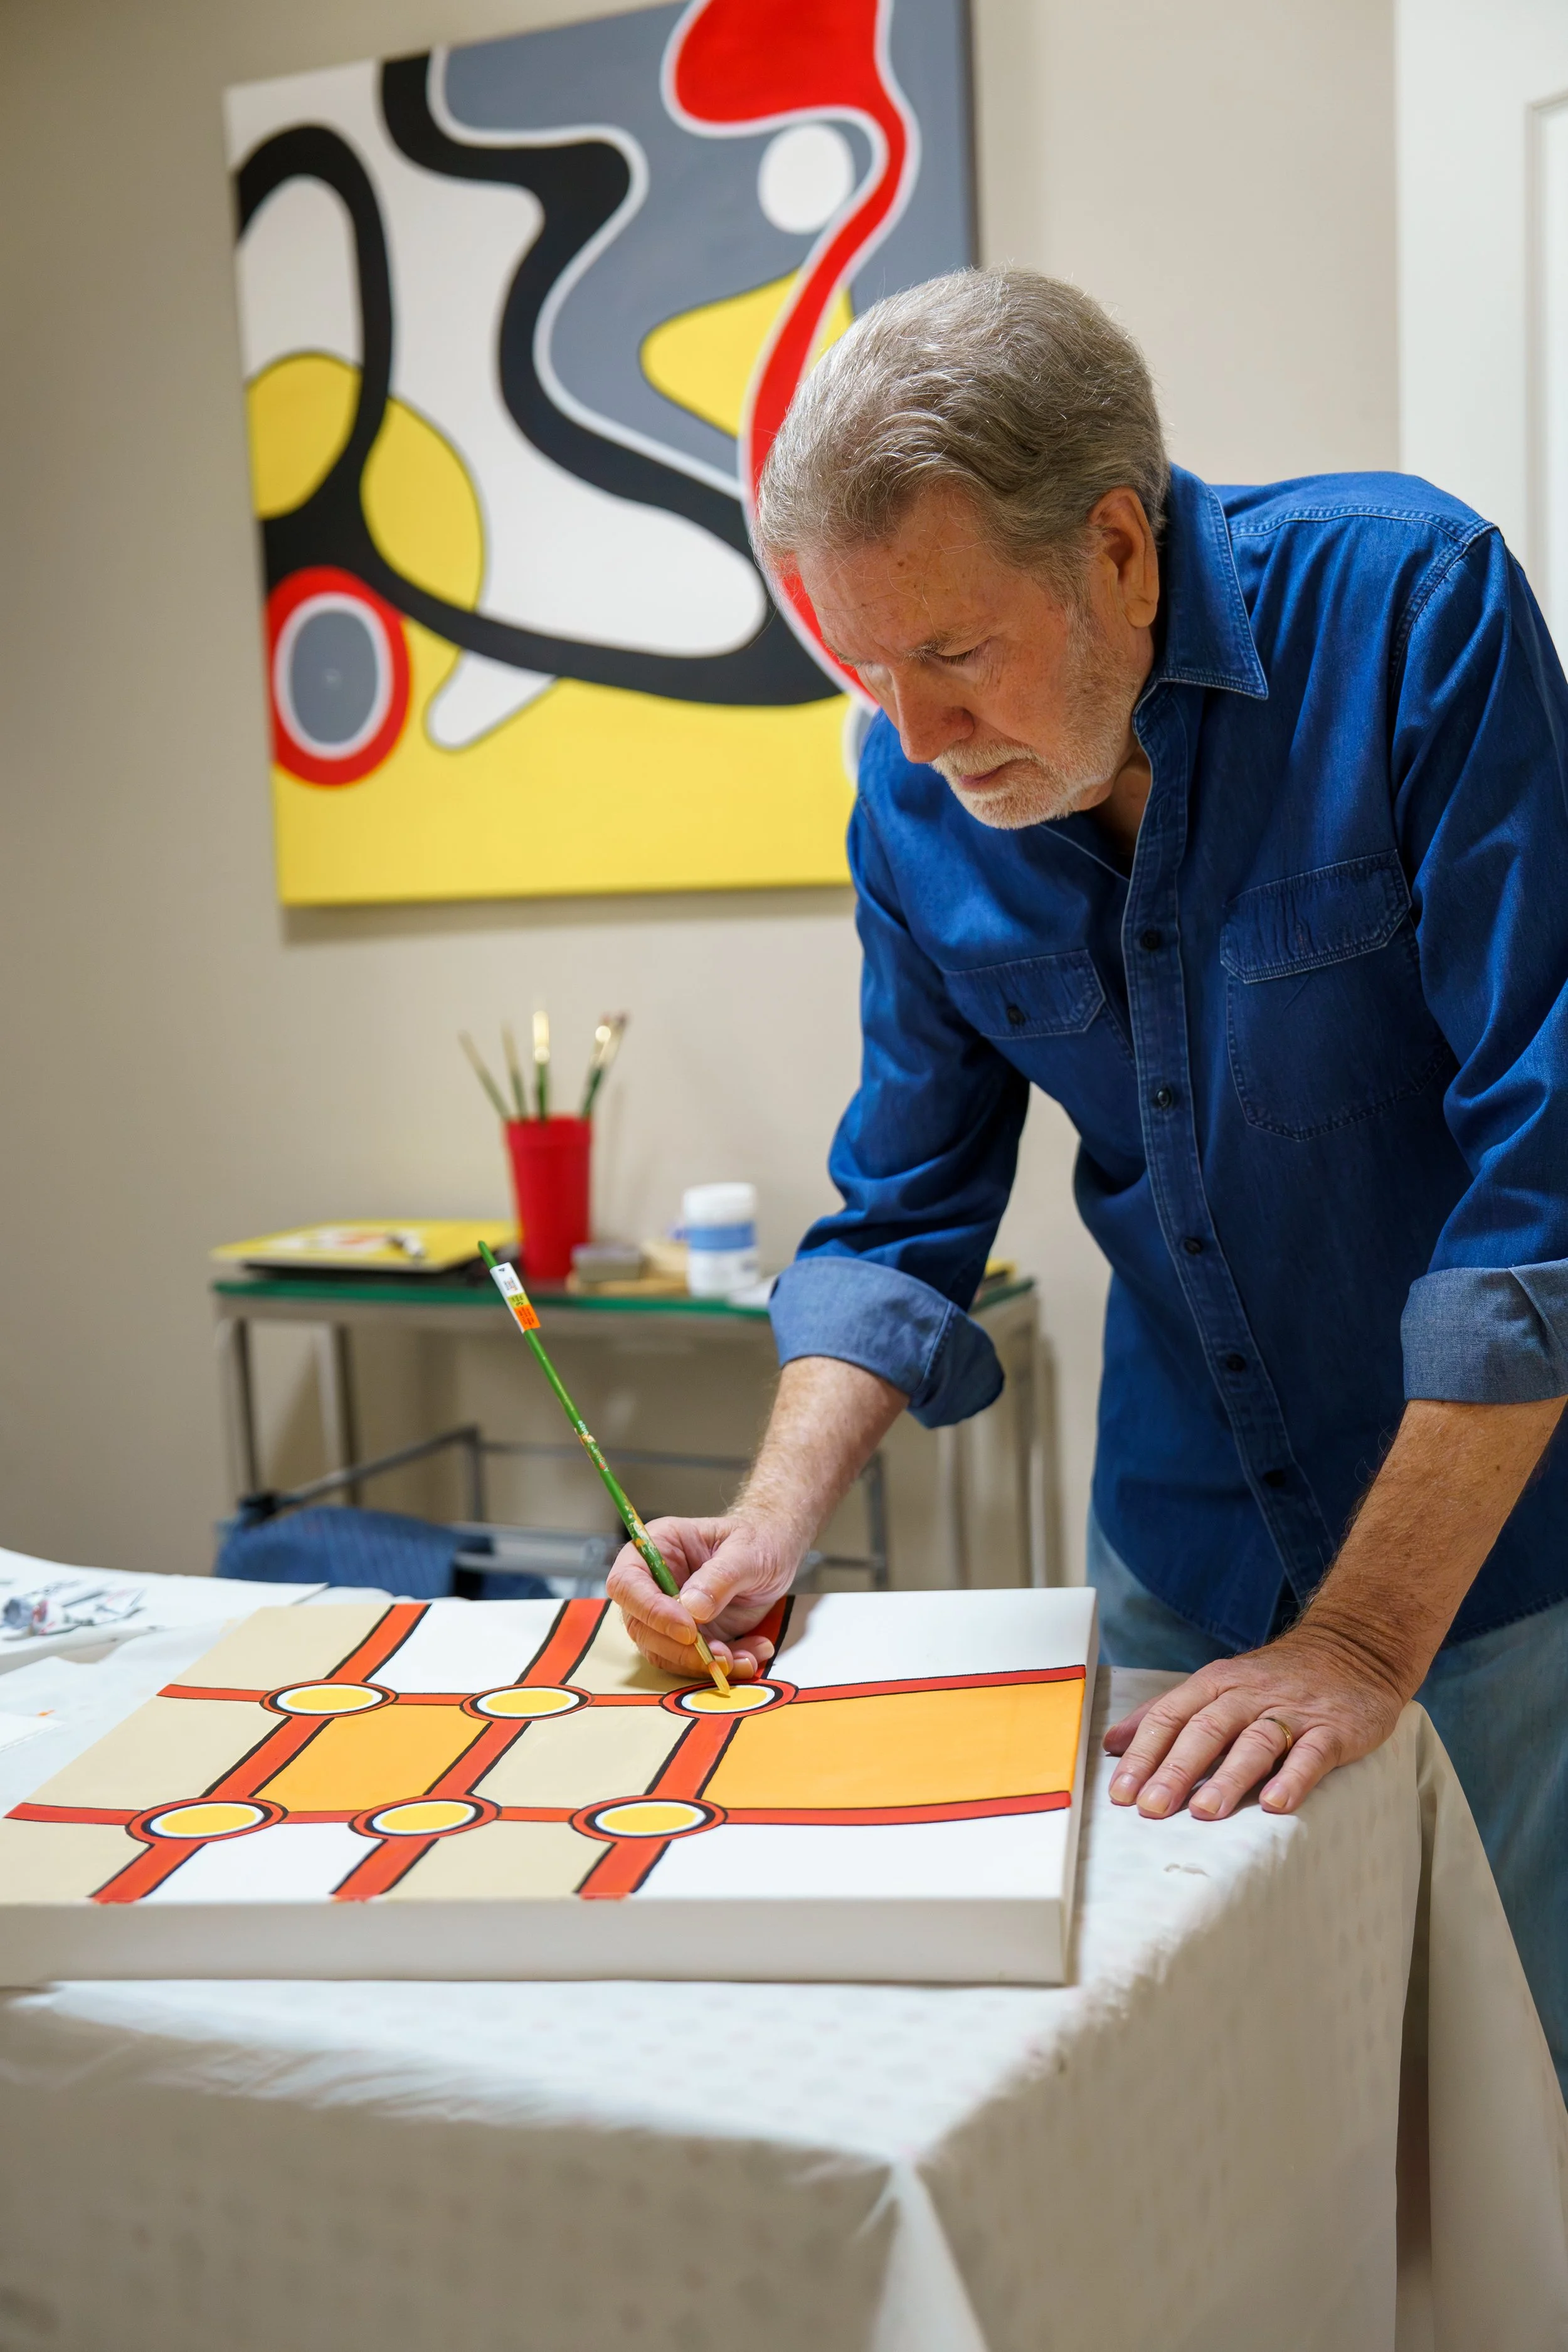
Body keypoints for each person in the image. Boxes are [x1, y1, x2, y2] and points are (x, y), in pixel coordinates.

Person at [608, 268, 1568, 2097]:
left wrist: (1364, 1636)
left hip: (1483, 1556)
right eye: (865, 666)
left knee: (1506, 2099)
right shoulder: (908, 793)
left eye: (953, 655)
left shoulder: (1407, 613)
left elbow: (1550, 1163)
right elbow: (901, 1202)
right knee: (1222, 2092)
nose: (910, 732)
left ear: (1117, 549)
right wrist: (766, 1526)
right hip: (1177, 1535)